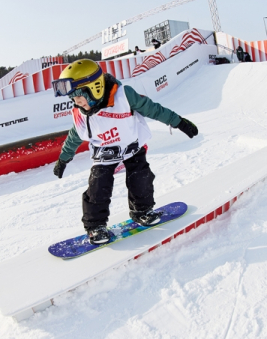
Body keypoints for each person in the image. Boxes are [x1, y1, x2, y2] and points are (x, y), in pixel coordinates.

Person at [51, 59, 198, 244]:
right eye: (74, 100)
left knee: (141, 178)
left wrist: (178, 122)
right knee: (98, 187)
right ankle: (95, 226)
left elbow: (152, 109)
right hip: (104, 155)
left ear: (95, 88)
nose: (78, 104)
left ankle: (142, 211)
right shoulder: (81, 113)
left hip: (131, 148)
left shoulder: (124, 96)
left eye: (80, 98)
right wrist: (63, 159)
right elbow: (74, 137)